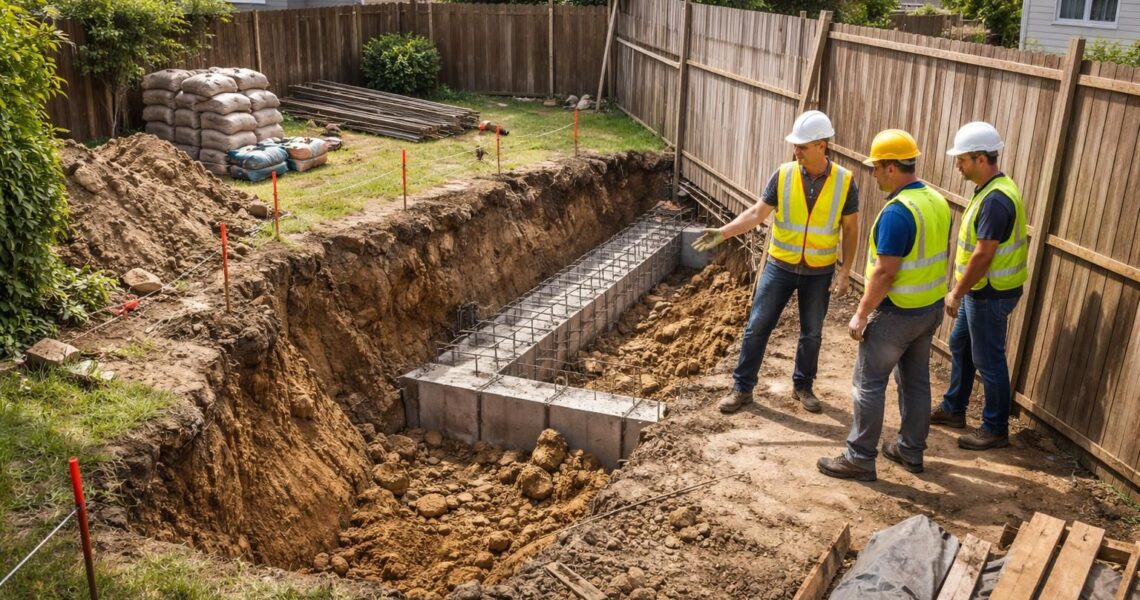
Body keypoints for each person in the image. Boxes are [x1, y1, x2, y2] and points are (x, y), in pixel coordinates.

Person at [692, 110, 859, 414]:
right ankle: (742, 389)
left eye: (803, 146)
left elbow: (850, 229)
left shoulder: (845, 182)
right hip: (780, 266)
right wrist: (724, 232)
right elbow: (756, 214)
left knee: (812, 333)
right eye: (795, 145)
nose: (796, 151)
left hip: (819, 272)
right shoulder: (783, 174)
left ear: (822, 145)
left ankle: (803, 386)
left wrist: (845, 271)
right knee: (757, 327)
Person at [817, 129, 950, 481]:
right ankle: (910, 449)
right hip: (929, 310)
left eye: (876, 167)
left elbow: (885, 273)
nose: (873, 173)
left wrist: (861, 314)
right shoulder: (936, 201)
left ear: (891, 167)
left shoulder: (897, 213)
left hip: (897, 315)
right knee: (916, 381)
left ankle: (859, 457)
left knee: (868, 383)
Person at [931, 122, 1027, 450]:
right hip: (982, 292)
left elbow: (983, 255)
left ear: (981, 158)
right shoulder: (990, 190)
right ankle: (955, 407)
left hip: (990, 293)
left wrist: (956, 291)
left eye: (962, 159)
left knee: (989, 360)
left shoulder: (996, 200)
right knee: (960, 345)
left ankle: (995, 428)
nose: (957, 164)